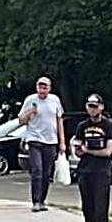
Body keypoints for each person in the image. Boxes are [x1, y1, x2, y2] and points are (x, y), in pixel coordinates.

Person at [70, 93, 112, 222]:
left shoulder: (108, 126)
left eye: (95, 106)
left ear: (101, 107)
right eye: (90, 106)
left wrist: (88, 150)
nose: (92, 109)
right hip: (85, 170)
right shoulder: (82, 126)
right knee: (87, 206)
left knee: (101, 205)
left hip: (102, 171)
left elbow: (108, 151)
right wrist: (78, 149)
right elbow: (78, 150)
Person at [18, 76, 65, 211]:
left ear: (49, 88)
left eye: (45, 87)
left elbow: (59, 121)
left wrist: (62, 141)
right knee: (37, 170)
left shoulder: (55, 100)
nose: (42, 89)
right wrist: (30, 112)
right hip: (34, 139)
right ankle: (36, 201)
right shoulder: (30, 100)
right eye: (40, 86)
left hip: (50, 141)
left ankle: (43, 200)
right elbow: (21, 120)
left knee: (46, 173)